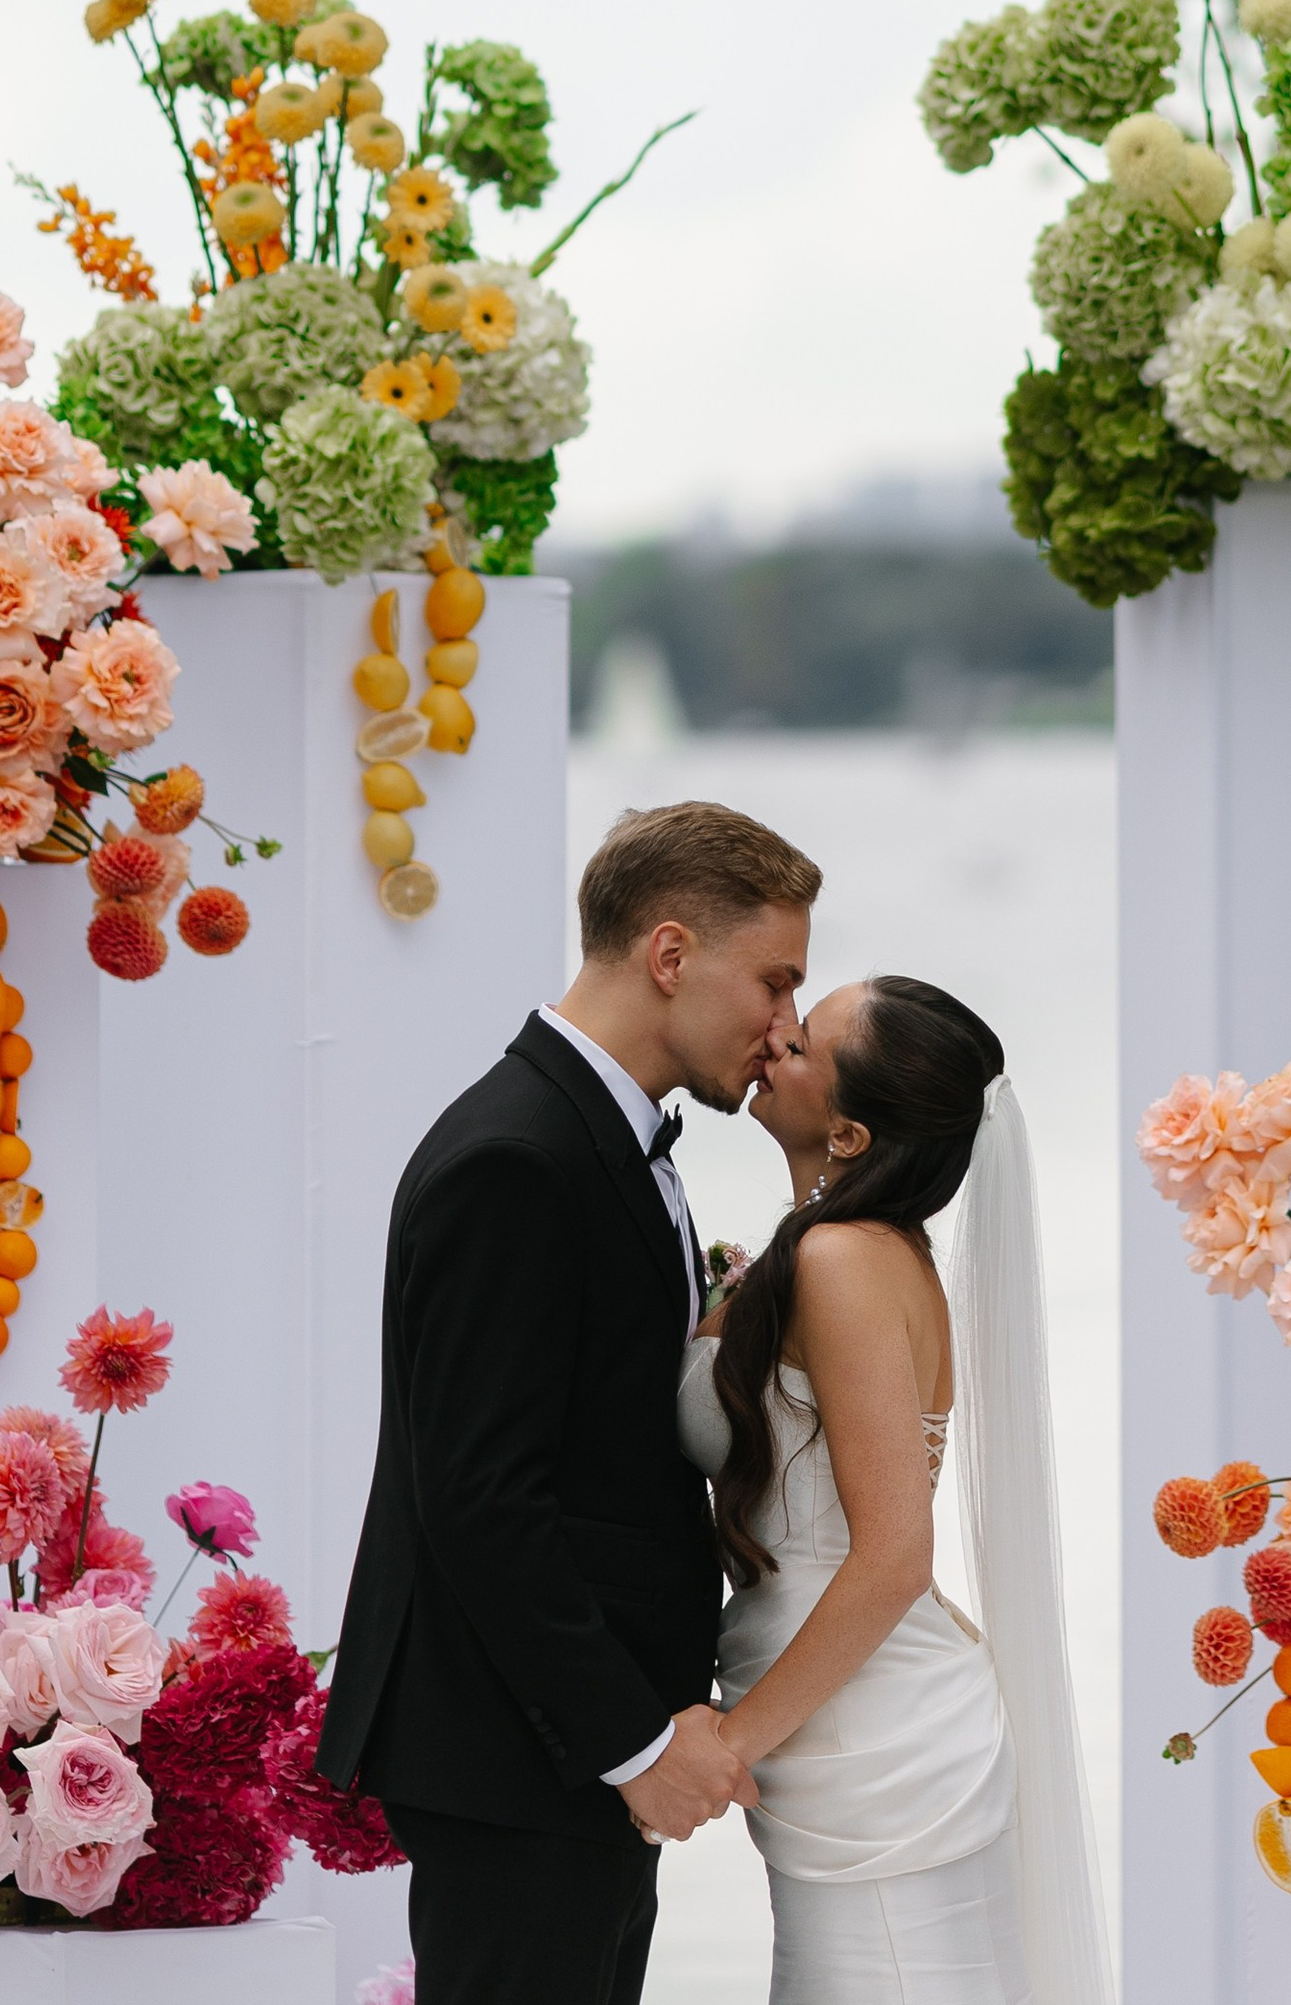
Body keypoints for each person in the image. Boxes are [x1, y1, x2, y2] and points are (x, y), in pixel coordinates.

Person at [320, 799, 821, 2005]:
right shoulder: (518, 1157)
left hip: (563, 1749)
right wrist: (636, 1745)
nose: (784, 1027)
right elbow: (481, 1497)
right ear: (668, 954)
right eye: (774, 981)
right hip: (522, 1749)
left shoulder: (601, 1138)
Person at [680, 975, 1114, 2005]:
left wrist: (730, 1743)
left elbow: (889, 1556)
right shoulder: (842, 1256)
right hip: (852, 1721)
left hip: (872, 1742)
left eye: (803, 1044)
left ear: (849, 1134)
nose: (774, 1034)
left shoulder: (845, 1262)